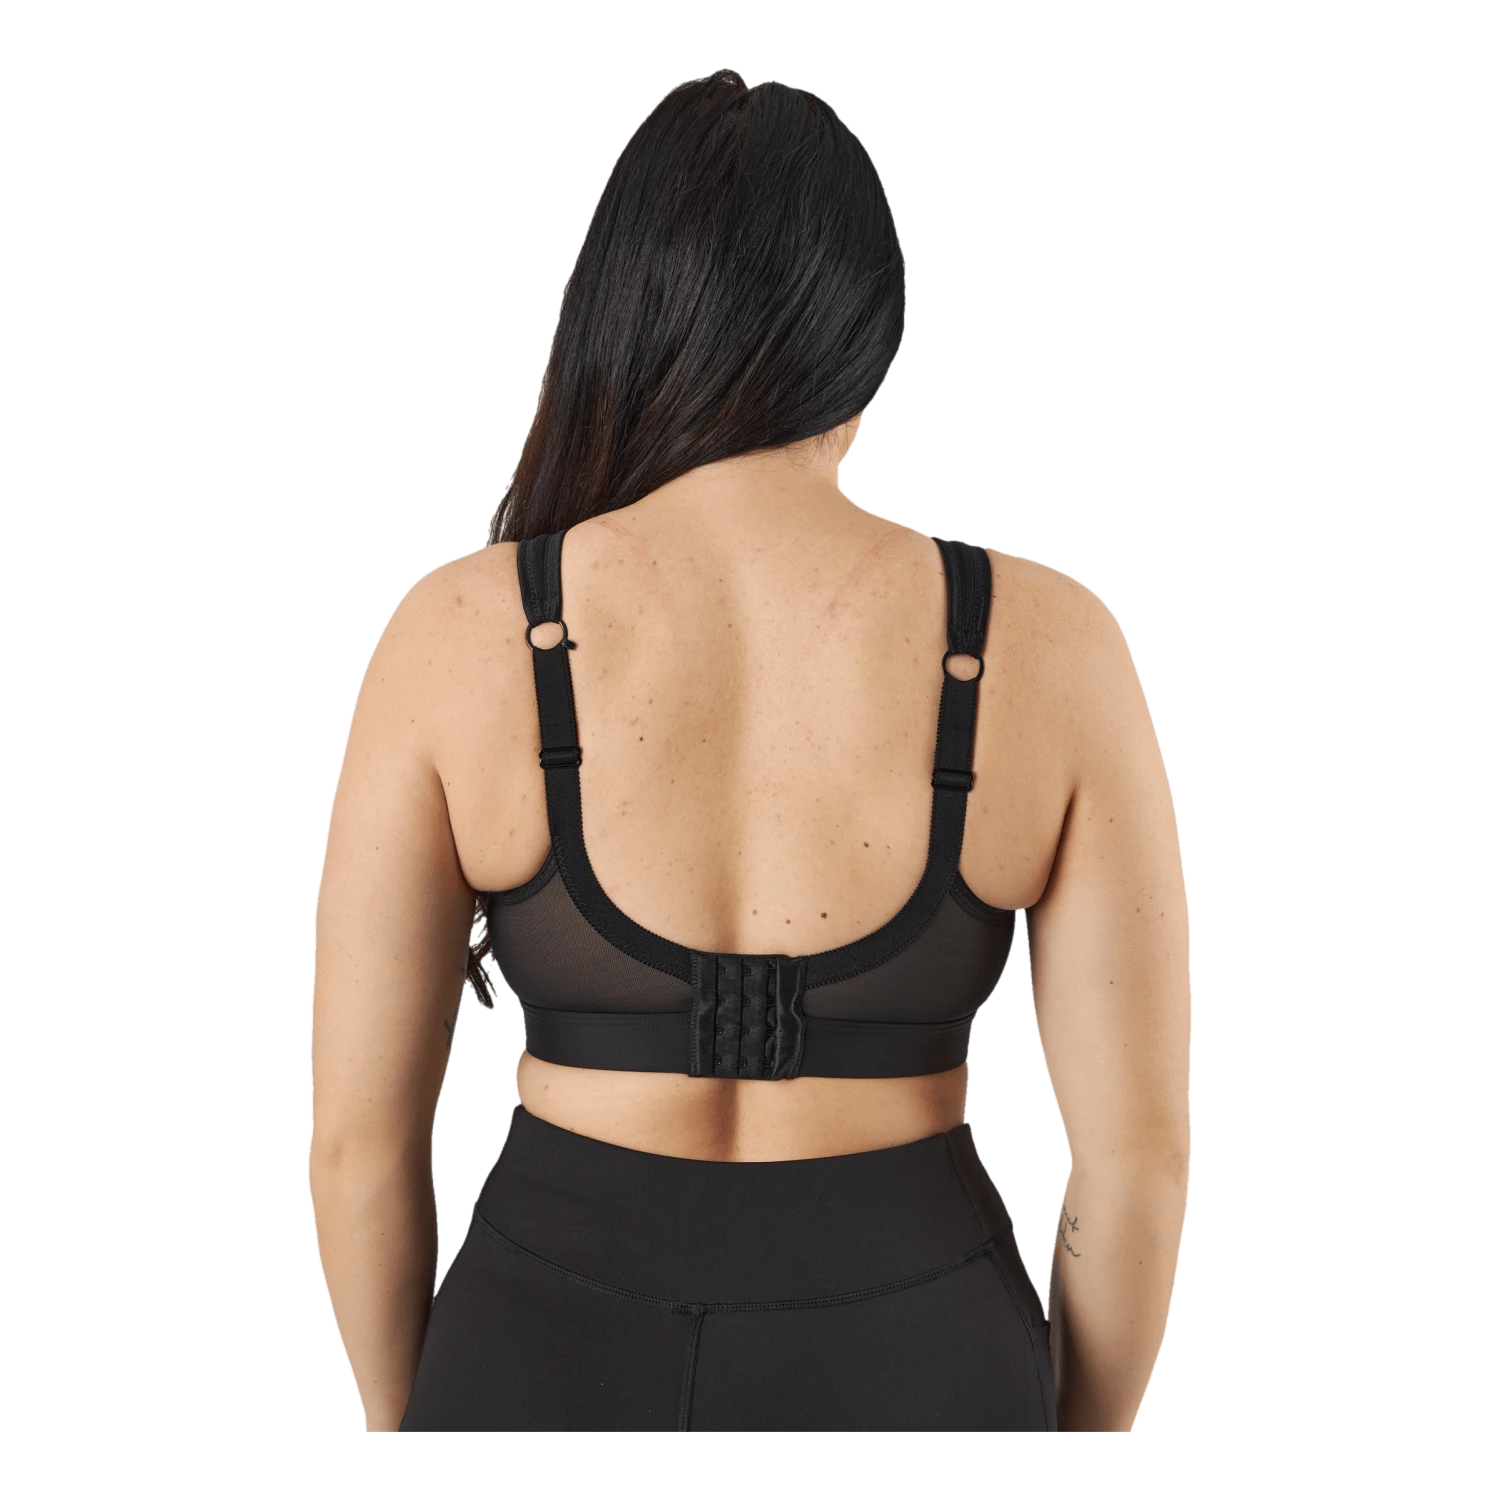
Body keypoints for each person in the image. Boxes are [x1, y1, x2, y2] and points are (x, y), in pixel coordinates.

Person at [308, 69, 1191, 1432]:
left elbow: (359, 1148)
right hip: (920, 1354)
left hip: (544, 1347)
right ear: (868, 327)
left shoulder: (459, 633)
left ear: (622, 312)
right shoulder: (1048, 639)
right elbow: (1137, 1168)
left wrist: (399, 1415)